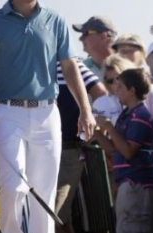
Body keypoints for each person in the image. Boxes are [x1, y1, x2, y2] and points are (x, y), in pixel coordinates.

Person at [0, 1, 96, 233]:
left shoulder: (55, 19)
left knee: (45, 190)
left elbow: (70, 67)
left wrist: (86, 110)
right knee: (12, 186)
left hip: (47, 112)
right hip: (6, 112)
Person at [94, 68, 153, 233]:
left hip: (136, 183)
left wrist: (108, 126)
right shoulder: (127, 114)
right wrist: (95, 130)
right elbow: (114, 149)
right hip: (127, 182)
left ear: (132, 90)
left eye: (120, 86)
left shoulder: (140, 116)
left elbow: (128, 151)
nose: (116, 90)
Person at [54, 59, 108, 233]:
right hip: (41, 150)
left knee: (54, 214)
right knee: (56, 215)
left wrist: (93, 125)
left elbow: (101, 94)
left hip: (68, 150)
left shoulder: (70, 62)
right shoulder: (30, 61)